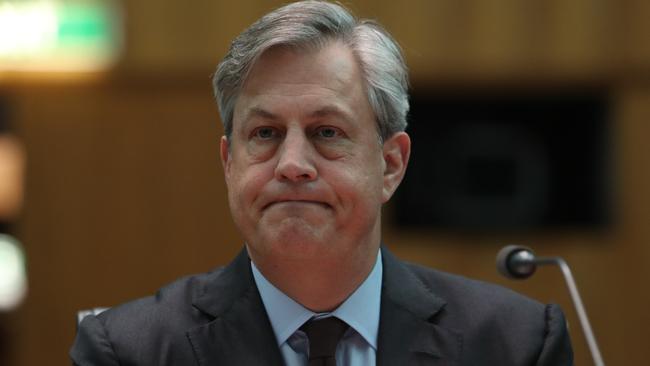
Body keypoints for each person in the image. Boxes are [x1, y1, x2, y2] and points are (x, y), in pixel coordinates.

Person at [70, 1, 573, 365]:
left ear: (391, 165)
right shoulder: (128, 351)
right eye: (265, 134)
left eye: (326, 132)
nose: (292, 164)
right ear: (230, 163)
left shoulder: (515, 344)